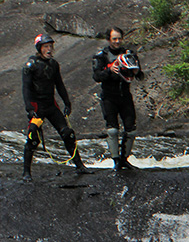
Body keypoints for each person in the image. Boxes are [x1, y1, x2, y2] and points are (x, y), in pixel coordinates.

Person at [22, 33, 90, 181]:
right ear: (39, 48)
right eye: (46, 47)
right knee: (33, 138)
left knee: (67, 134)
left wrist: (67, 102)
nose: (49, 50)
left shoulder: (54, 64)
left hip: (51, 105)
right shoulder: (30, 65)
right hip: (36, 107)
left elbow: (59, 84)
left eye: (51, 47)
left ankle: (79, 165)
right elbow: (26, 88)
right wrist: (29, 108)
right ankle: (26, 172)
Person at [92, 27, 144, 170]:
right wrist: (109, 70)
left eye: (119, 38)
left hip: (125, 96)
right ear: (109, 39)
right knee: (112, 130)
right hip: (109, 97)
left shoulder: (129, 54)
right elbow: (96, 77)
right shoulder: (101, 56)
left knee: (131, 130)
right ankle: (115, 162)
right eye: (114, 38)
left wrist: (136, 71)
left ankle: (124, 159)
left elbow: (140, 75)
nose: (117, 41)